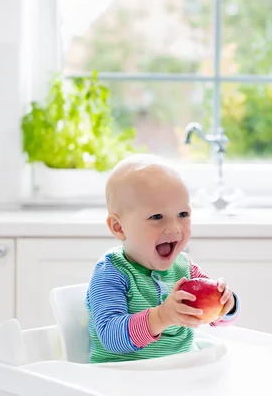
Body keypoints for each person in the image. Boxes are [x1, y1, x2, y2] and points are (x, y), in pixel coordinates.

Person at [85, 154, 240, 364]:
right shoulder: (112, 272)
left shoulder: (185, 268)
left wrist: (226, 305)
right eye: (157, 217)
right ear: (119, 227)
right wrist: (161, 317)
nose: (175, 228)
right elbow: (111, 336)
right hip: (122, 380)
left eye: (183, 214)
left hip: (179, 372)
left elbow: (212, 315)